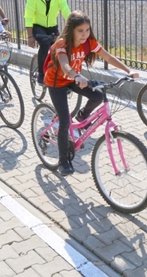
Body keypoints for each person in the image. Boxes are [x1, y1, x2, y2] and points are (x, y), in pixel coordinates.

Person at [44, 10, 138, 176]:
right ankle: (63, 160)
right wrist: (77, 75)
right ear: (71, 30)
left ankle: (82, 117)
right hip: (57, 81)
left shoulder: (89, 43)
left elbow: (108, 57)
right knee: (65, 120)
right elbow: (65, 64)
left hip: (74, 79)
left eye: (87, 30)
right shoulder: (62, 44)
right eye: (80, 31)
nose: (84, 34)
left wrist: (128, 70)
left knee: (98, 96)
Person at [24, 0, 71, 85]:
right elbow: (28, 16)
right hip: (37, 26)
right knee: (45, 45)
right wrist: (30, 36)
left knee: (61, 48)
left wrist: (74, 24)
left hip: (52, 27)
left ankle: (61, 75)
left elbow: (66, 12)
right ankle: (41, 74)